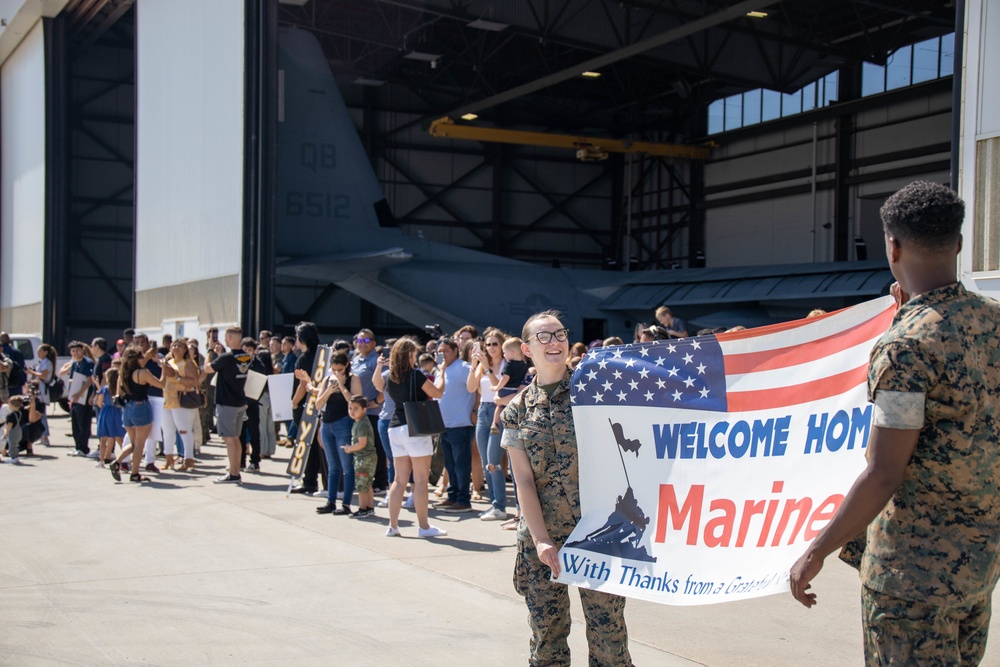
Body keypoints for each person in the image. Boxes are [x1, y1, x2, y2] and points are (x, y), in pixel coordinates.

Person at [789, 181, 1000, 665]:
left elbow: (885, 470)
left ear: (892, 246)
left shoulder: (906, 346)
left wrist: (816, 551)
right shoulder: (993, 322)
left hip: (912, 580)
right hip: (978, 568)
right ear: (960, 243)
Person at [501, 311, 633, 666]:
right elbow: (523, 480)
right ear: (526, 349)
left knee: (609, 636)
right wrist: (542, 539)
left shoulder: (596, 395)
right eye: (542, 337)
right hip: (542, 538)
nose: (554, 342)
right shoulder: (515, 411)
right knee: (547, 637)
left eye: (559, 334)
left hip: (598, 533)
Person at [383, 337, 446, 538]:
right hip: (415, 427)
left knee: (398, 480)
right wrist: (441, 373)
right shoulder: (416, 376)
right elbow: (438, 392)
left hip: (395, 427)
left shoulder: (390, 377)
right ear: (410, 355)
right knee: (420, 480)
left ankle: (393, 526)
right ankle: (424, 527)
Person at [307, 351, 362, 515]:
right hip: (327, 424)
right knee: (332, 466)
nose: (337, 373)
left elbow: (356, 402)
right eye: (334, 369)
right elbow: (318, 405)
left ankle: (346, 504)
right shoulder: (327, 379)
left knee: (347, 466)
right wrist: (329, 391)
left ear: (346, 366)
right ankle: (330, 501)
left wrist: (342, 386)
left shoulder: (354, 378)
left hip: (344, 423)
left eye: (340, 369)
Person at [467, 328, 508, 522]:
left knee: (494, 462)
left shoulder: (506, 364)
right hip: (483, 410)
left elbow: (498, 387)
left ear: (501, 345)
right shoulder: (483, 365)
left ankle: (500, 506)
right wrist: (476, 364)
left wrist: (488, 368)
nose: (491, 348)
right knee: (485, 462)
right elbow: (470, 387)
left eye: (495, 344)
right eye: (488, 344)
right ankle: (495, 505)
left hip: (498, 411)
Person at [433, 338, 476, 513]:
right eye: (439, 352)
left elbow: (477, 388)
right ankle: (452, 496)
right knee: (450, 465)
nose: (442, 354)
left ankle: (463, 499)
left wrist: (474, 410)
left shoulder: (464, 368)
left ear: (455, 350)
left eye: (445, 351)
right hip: (443, 426)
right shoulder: (440, 370)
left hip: (461, 425)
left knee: (461, 465)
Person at [203, 326, 251, 484]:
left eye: (225, 337)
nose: (224, 339)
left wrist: (210, 353)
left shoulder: (227, 358)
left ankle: (233, 473)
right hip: (239, 401)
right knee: (235, 438)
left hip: (227, 403)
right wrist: (220, 355)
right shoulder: (245, 356)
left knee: (229, 439)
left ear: (230, 338)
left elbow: (207, 368)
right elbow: (230, 368)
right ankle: (235, 471)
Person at [110, 346, 165, 483]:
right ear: (138, 359)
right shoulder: (142, 373)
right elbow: (161, 384)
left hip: (127, 408)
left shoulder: (123, 373)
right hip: (141, 407)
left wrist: (146, 356)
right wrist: (163, 368)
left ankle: (117, 462)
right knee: (140, 445)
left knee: (134, 443)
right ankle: (134, 474)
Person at [351, 328, 387, 491]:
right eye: (359, 340)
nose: (362, 344)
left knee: (376, 448)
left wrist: (375, 402)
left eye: (366, 341)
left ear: (373, 343)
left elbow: (385, 384)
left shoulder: (376, 361)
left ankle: (380, 481)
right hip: (357, 414)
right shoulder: (356, 360)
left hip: (373, 413)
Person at [160, 338, 201, 471]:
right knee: (167, 430)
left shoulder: (188, 363)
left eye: (179, 346)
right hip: (168, 399)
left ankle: (188, 459)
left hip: (182, 399)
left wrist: (177, 377)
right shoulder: (168, 362)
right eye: (174, 345)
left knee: (184, 430)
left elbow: (194, 382)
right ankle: (169, 458)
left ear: (185, 350)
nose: (176, 347)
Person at [344, 396, 377, 518]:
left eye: (356, 409)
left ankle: (363, 509)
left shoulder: (362, 424)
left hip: (364, 458)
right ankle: (369, 507)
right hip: (368, 457)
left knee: (362, 485)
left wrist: (350, 448)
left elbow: (362, 443)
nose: (352, 412)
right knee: (367, 484)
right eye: (350, 408)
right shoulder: (360, 422)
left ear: (364, 409)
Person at [62, 341, 96, 457]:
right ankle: (78, 446)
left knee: (83, 422)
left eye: (77, 350)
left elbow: (89, 379)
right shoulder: (75, 364)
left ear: (82, 350)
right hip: (75, 397)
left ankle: (83, 447)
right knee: (75, 421)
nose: (75, 353)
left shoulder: (88, 363)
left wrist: (79, 393)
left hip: (84, 396)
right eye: (73, 351)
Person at [490, 337, 527, 434]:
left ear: (511, 352)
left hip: (506, 390)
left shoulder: (509, 364)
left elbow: (505, 378)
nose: (503, 355)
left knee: (499, 406)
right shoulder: (524, 365)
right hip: (516, 390)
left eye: (504, 352)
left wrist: (497, 387)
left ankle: (495, 423)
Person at [94, 363, 125, 467]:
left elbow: (99, 402)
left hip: (106, 412)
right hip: (117, 412)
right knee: (119, 437)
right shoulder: (119, 388)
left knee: (103, 438)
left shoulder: (105, 389)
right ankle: (126, 459)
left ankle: (101, 460)